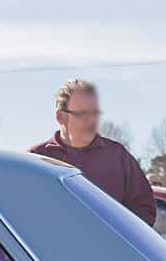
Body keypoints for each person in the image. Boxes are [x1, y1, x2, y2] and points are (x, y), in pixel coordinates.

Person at [29, 79, 155, 225]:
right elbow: (17, 213)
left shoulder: (118, 157)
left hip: (107, 247)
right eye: (83, 114)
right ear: (60, 117)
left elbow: (145, 210)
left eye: (94, 113)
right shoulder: (36, 159)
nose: (91, 121)